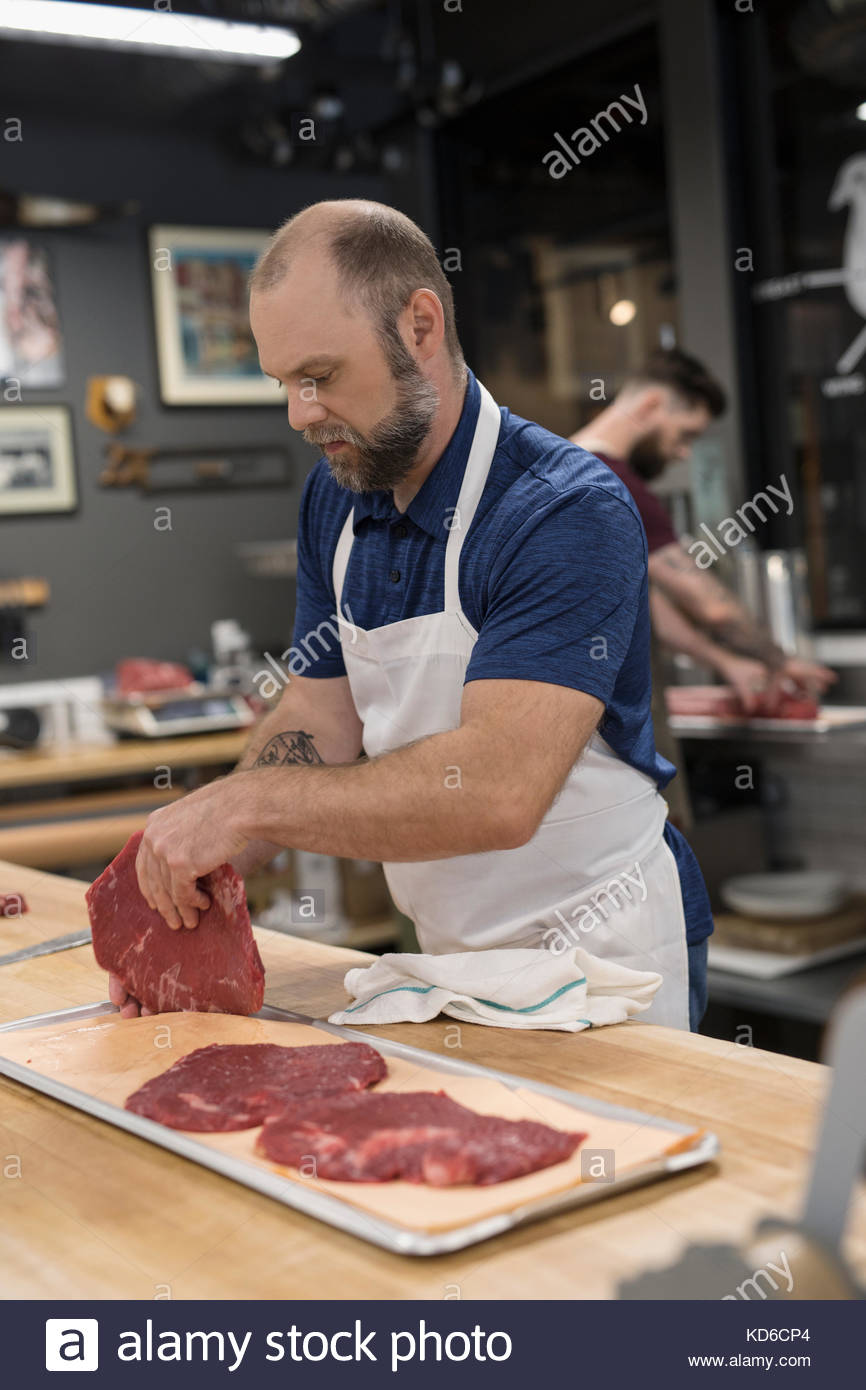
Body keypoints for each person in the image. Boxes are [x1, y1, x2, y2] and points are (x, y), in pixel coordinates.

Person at [113, 200, 714, 1032]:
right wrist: (204, 872)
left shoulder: (563, 509)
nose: (299, 413)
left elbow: (500, 789)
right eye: (283, 383)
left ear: (421, 326)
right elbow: (321, 714)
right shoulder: (337, 496)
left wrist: (246, 806)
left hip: (602, 966)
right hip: (443, 964)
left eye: (319, 375)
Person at [571, 349, 835, 716]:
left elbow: (649, 612)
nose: (683, 453)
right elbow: (711, 607)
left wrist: (724, 661)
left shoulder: (557, 469)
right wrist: (781, 661)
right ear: (651, 404)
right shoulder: (607, 480)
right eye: (686, 434)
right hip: (606, 717)